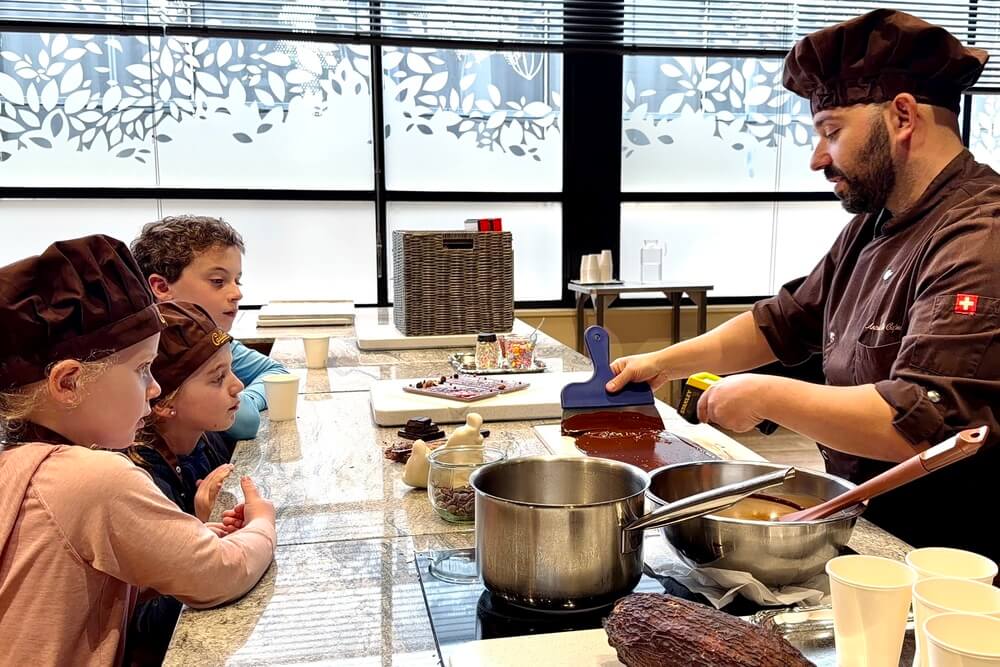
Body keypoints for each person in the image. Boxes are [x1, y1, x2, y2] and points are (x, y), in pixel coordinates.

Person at [608, 9, 1000, 560]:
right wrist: (662, 363)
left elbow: (919, 421)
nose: (818, 158)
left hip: (949, 555)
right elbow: (785, 321)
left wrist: (763, 393)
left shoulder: (980, 236)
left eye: (831, 132)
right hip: (867, 522)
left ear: (903, 116)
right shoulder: (873, 225)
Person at [0, 235, 276, 666]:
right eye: (142, 370)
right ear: (68, 382)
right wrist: (263, 523)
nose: (154, 388)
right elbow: (223, 573)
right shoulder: (89, 478)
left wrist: (191, 536)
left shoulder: (17, 461)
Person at [125, 301, 247, 664]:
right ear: (162, 401)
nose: (237, 386)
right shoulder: (140, 477)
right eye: (217, 378)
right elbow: (147, 626)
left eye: (231, 371)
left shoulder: (205, 438)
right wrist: (197, 530)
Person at [130, 215, 289, 443]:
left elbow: (276, 373)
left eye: (237, 280)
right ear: (162, 287)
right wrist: (240, 403)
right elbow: (244, 422)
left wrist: (245, 397)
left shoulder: (210, 338)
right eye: (218, 281)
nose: (237, 293)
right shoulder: (150, 348)